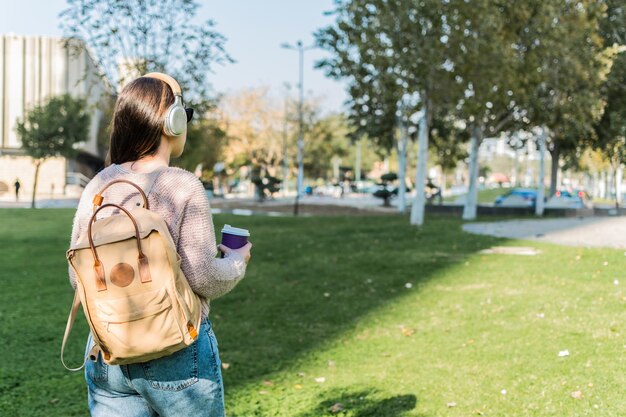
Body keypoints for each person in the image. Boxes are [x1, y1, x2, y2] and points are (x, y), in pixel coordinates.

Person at [68, 73, 252, 417]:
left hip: (108, 349)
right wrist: (237, 260)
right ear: (174, 121)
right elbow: (204, 277)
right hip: (176, 351)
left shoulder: (98, 185)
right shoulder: (181, 185)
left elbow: (78, 277)